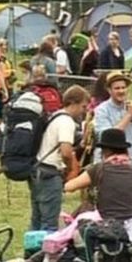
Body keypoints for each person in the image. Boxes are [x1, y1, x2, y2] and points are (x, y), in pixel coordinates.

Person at [30, 85, 90, 231]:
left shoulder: (55, 116)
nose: (85, 111)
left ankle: (31, 250)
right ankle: (46, 253)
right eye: (83, 106)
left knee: (37, 218)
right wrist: (70, 169)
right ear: (73, 103)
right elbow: (66, 151)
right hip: (50, 173)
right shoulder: (66, 122)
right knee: (50, 222)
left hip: (37, 170)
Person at [65, 128, 132, 220]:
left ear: (106, 150)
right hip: (130, 219)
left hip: (106, 219)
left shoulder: (99, 169)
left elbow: (69, 187)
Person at [93, 71, 132, 169]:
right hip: (109, 162)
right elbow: (109, 138)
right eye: (117, 88)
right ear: (109, 90)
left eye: (123, 87)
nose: (121, 91)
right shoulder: (101, 110)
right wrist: (129, 115)